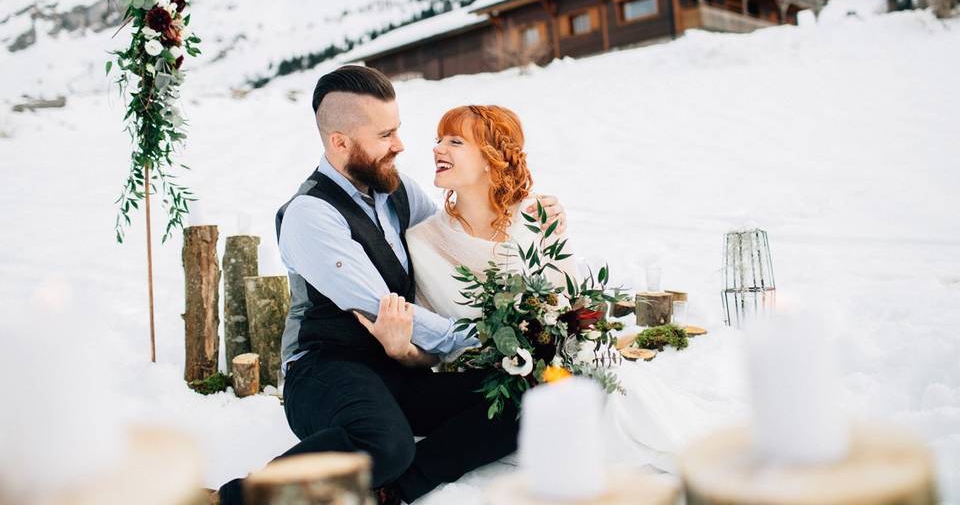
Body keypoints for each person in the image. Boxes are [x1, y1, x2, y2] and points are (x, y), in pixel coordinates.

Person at [217, 66, 567, 504]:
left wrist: (521, 213)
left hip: (395, 369)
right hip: (325, 370)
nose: (400, 145)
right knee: (384, 444)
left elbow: (456, 231)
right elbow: (379, 305)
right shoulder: (310, 213)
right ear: (339, 142)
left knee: (524, 400)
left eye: (397, 130)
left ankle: (393, 493)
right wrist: (482, 339)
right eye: (385, 135)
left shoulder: (397, 191)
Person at [366, 103, 738, 477]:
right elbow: (435, 346)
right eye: (438, 140)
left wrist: (568, 351)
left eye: (455, 141)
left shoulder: (536, 216)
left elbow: (574, 305)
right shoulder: (421, 243)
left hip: (560, 366)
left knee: (625, 400)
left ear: (490, 159)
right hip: (490, 390)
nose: (437, 149)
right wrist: (402, 350)